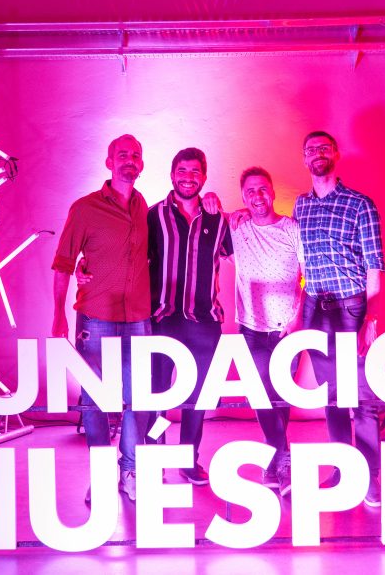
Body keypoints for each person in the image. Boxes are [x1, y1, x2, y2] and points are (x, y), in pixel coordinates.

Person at [51, 134, 151, 503]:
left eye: (135, 155)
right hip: (96, 318)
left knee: (137, 399)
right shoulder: (84, 208)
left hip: (138, 318)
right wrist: (58, 315)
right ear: (109, 162)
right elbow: (63, 264)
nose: (130, 160)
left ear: (142, 164)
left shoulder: (144, 209)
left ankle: (130, 471)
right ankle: (100, 475)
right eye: (122, 154)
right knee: (93, 401)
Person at [294, 130, 385, 508]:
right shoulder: (300, 206)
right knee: (332, 396)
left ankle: (370, 477)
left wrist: (371, 319)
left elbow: (375, 268)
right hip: (315, 307)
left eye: (324, 148)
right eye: (310, 150)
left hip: (351, 308)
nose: (317, 154)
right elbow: (299, 260)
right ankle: (344, 469)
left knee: (360, 398)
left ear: (336, 154)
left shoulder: (361, 205)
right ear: (304, 159)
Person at [147, 147, 233, 485]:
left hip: (204, 322)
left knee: (197, 397)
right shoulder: (153, 216)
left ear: (204, 177)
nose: (188, 177)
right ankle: (155, 458)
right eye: (182, 171)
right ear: (172, 175)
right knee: (157, 396)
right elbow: (130, 257)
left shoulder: (218, 219)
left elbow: (242, 245)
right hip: (162, 319)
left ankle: (188, 460)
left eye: (195, 171)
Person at [228, 166, 303, 495]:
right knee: (261, 395)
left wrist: (297, 319)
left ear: (272, 193)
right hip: (251, 329)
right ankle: (282, 461)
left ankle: (273, 463)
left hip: (287, 328)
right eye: (250, 192)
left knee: (281, 397)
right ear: (243, 198)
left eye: (262, 189)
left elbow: (308, 275)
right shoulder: (237, 227)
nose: (257, 196)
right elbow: (210, 219)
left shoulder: (292, 229)